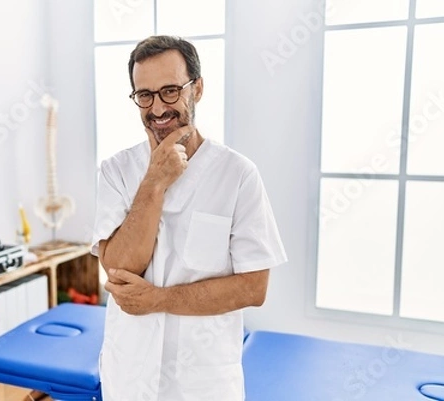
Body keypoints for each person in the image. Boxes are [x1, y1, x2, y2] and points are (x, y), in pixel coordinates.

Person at [91, 36, 287, 401]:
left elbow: (253, 288)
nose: (157, 108)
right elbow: (118, 267)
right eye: (144, 95)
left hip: (203, 383)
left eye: (170, 91)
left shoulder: (238, 174)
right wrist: (154, 181)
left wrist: (158, 299)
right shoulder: (115, 171)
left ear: (197, 89)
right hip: (130, 377)